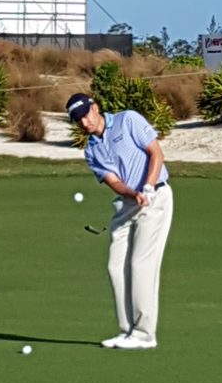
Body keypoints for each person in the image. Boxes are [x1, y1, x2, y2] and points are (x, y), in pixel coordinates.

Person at [66, 93, 173, 351]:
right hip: (127, 205)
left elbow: (156, 153)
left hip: (156, 196)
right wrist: (132, 194)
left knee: (140, 265)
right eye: (77, 120)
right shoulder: (92, 149)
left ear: (95, 107)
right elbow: (113, 182)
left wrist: (147, 187)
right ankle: (128, 331)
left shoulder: (128, 121)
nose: (84, 123)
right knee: (116, 267)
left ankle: (145, 334)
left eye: (85, 115)